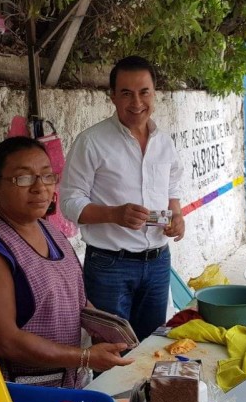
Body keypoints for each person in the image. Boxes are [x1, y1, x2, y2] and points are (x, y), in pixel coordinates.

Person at [0, 136, 133, 388]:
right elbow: (5, 341)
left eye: (47, 176)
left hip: (64, 386)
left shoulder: (51, 231)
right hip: (10, 395)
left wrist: (103, 325)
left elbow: (74, 297)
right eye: (23, 178)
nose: (40, 188)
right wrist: (85, 357)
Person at [61, 56, 185, 341]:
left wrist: (176, 214)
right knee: (112, 352)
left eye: (144, 92)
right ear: (113, 97)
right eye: (126, 93)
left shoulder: (164, 142)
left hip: (157, 262)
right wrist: (113, 214)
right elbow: (69, 201)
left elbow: (173, 184)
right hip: (109, 267)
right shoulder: (91, 142)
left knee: (151, 347)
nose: (136, 102)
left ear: (155, 94)